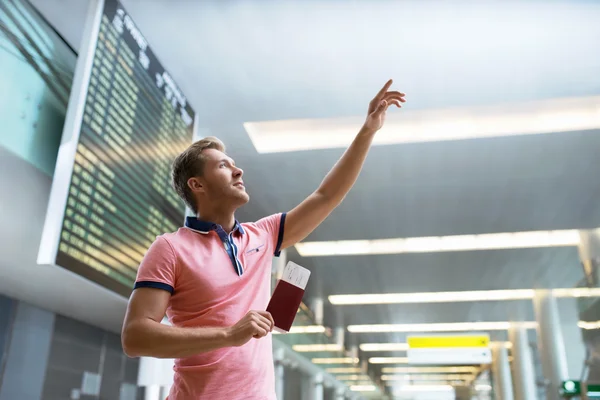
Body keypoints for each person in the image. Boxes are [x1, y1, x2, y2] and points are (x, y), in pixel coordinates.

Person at [121, 80, 406, 399]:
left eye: (234, 164)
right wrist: (229, 334)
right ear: (197, 185)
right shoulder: (170, 248)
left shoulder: (264, 234)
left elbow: (326, 196)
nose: (238, 171)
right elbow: (135, 337)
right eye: (223, 166)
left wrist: (368, 131)